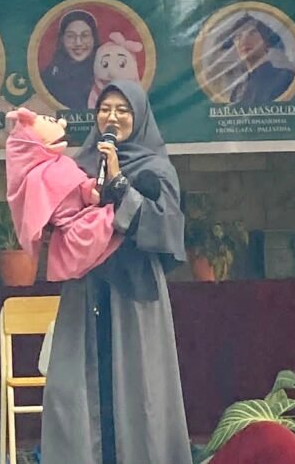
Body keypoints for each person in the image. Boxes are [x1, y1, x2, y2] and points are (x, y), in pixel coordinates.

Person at [40, 80, 193, 464]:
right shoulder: (79, 166)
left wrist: (121, 184)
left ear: (138, 116)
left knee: (139, 390)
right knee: (76, 389)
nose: (113, 117)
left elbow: (167, 228)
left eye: (123, 110)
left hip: (133, 294)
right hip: (86, 290)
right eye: (105, 109)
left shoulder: (156, 168)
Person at [220, 14, 295, 106]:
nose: (244, 41)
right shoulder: (238, 91)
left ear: (266, 41)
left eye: (252, 33)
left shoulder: (286, 77)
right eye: (238, 36)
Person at [40, 9, 99, 110]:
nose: (78, 43)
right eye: (71, 36)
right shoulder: (49, 77)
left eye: (85, 35)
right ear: (62, 39)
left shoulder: (106, 73)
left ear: (94, 38)